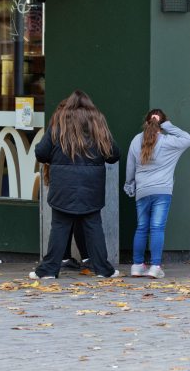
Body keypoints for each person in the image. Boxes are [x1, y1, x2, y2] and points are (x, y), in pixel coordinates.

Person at [30, 91, 121, 280]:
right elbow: (113, 155)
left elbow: (41, 153)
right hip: (92, 187)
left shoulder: (59, 123)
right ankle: (104, 270)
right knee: (94, 227)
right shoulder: (98, 123)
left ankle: (48, 270)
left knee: (59, 227)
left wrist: (57, 158)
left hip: (63, 186)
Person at [124, 109, 190, 278]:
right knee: (157, 228)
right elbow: (189, 139)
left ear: (146, 122)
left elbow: (130, 167)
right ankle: (155, 267)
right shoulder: (169, 141)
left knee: (142, 228)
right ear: (162, 124)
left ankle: (137, 265)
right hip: (162, 191)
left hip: (142, 190)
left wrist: (129, 184)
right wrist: (168, 126)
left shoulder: (136, 140)